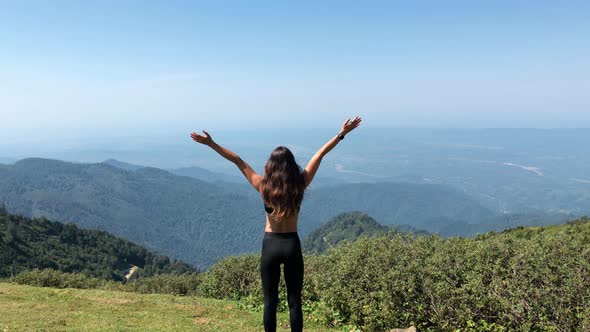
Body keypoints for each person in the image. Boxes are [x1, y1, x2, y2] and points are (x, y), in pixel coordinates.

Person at [190, 116, 362, 332]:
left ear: (270, 166)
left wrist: (211, 144)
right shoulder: (300, 183)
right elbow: (320, 154)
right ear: (291, 166)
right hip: (291, 244)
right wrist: (341, 133)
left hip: (270, 245)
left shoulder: (263, 186)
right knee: (294, 302)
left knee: (270, 302)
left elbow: (237, 160)